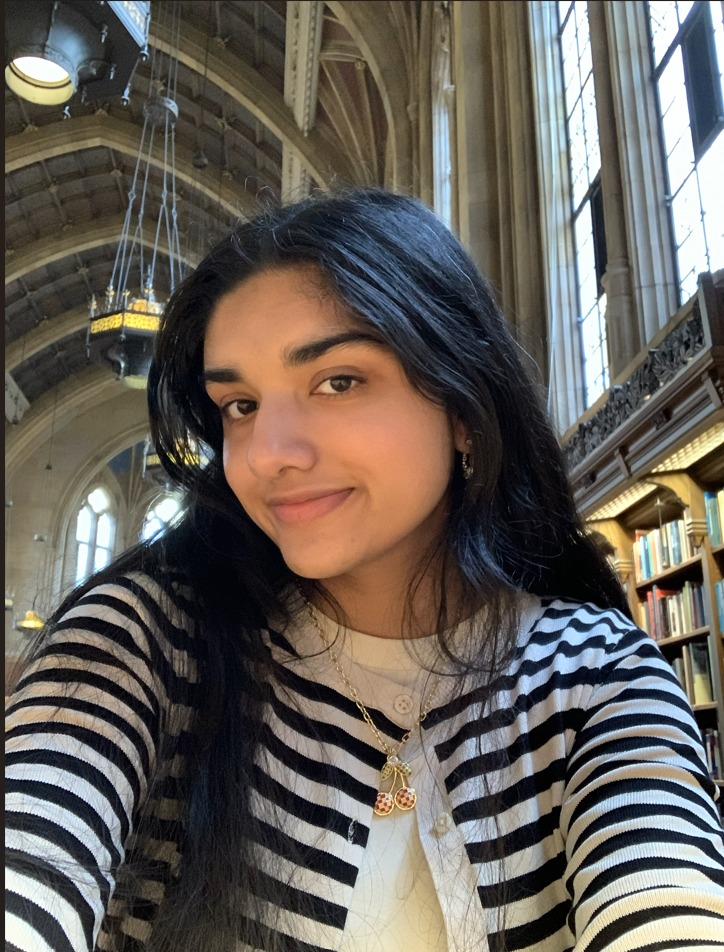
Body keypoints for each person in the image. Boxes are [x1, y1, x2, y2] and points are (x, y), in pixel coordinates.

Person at [5, 188, 724, 952]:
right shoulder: (145, 643)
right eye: (239, 404)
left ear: (464, 410)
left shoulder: (600, 676)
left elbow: (666, 901)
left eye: (337, 381)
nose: (269, 452)